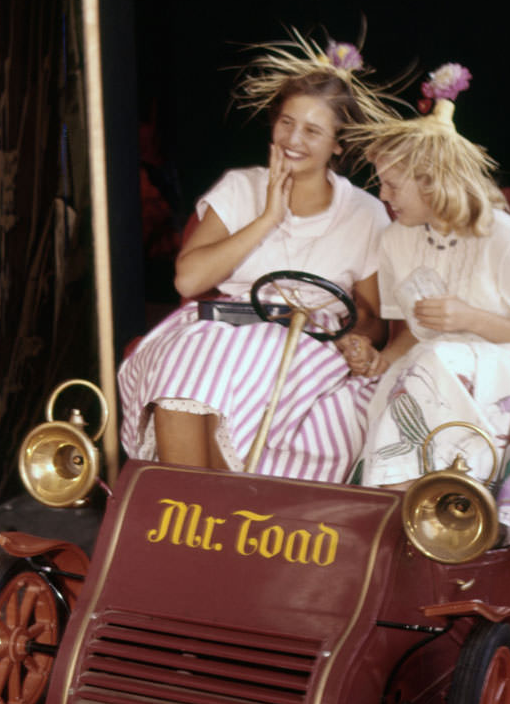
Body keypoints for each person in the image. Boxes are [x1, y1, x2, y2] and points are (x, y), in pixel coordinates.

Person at [117, 32, 398, 483]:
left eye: (312, 130)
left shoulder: (365, 213)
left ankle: (229, 524)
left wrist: (354, 339)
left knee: (228, 386)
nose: (294, 139)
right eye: (286, 123)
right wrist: (268, 217)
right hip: (224, 327)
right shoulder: (242, 187)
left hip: (309, 339)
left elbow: (375, 319)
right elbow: (188, 281)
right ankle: (188, 524)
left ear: (338, 143)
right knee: (179, 383)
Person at [344, 63, 510, 550]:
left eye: (393, 185)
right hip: (438, 366)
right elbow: (412, 334)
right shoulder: (397, 240)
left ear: (433, 182)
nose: (383, 196)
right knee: (403, 375)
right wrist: (382, 358)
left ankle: (417, 506)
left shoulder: (507, 243)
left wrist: (471, 319)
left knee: (433, 363)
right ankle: (404, 510)